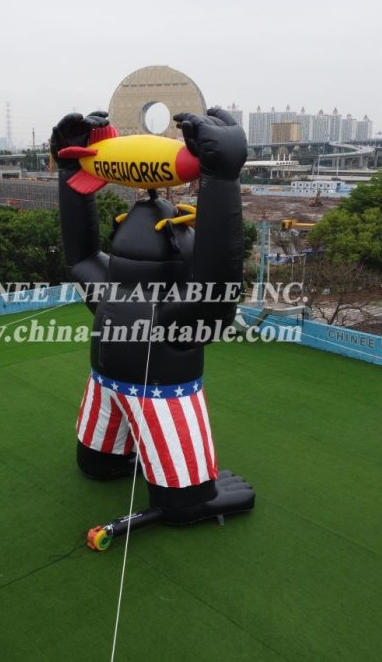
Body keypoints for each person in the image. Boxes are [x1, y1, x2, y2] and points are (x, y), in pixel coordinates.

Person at [51, 108, 255, 524]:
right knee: (180, 465)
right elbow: (218, 287)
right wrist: (222, 179)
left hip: (104, 381)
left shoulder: (106, 286)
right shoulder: (176, 308)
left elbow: (80, 255)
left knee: (101, 440)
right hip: (163, 394)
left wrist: (70, 175)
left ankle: (100, 459)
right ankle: (188, 498)